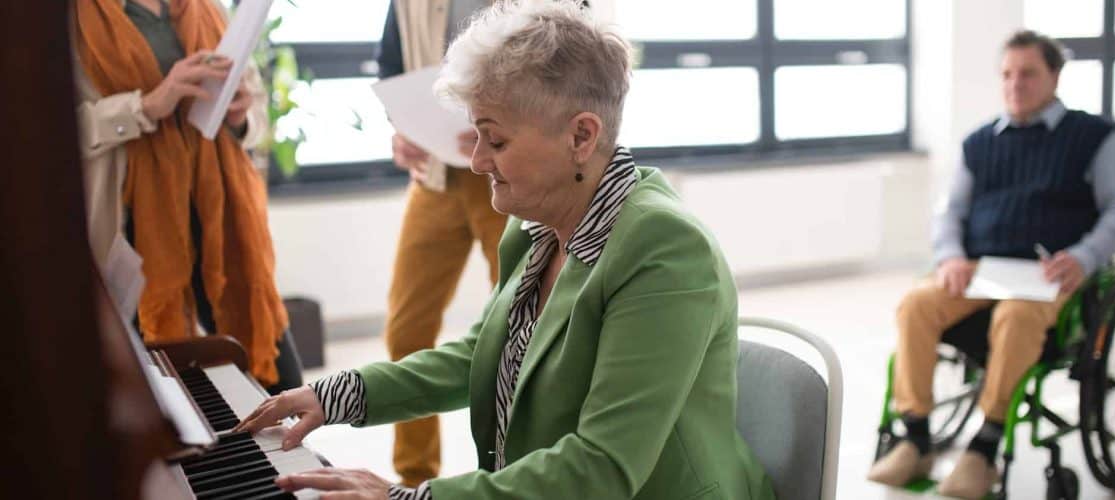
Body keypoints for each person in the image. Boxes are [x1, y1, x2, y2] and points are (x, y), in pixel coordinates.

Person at [235, 2, 776, 499]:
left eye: (495, 141)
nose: (476, 162)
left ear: (581, 138)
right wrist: (336, 396)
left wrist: (414, 497)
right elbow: (482, 357)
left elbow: (604, 465)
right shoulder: (535, 229)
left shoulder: (663, 250)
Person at [868, 30, 1115, 498]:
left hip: (1048, 276)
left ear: (1054, 75)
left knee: (1016, 316)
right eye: (1007, 75)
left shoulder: (1091, 137)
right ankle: (914, 434)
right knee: (916, 304)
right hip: (979, 269)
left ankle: (986, 444)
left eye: (1028, 73)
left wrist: (1083, 255)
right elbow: (949, 212)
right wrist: (951, 256)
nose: (1015, 84)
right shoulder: (980, 143)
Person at [73, 0, 303, 392]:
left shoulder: (205, 7)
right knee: (154, 386)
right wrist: (146, 106)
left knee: (280, 378)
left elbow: (256, 109)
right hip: (132, 225)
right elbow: (50, 126)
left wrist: (240, 115)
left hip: (217, 213)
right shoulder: (72, 19)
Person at [374, 0, 507, 487]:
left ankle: (511, 470)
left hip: (510, 173)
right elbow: (391, 65)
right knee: (406, 328)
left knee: (522, 328)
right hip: (434, 175)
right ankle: (412, 479)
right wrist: (400, 129)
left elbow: (578, 56)